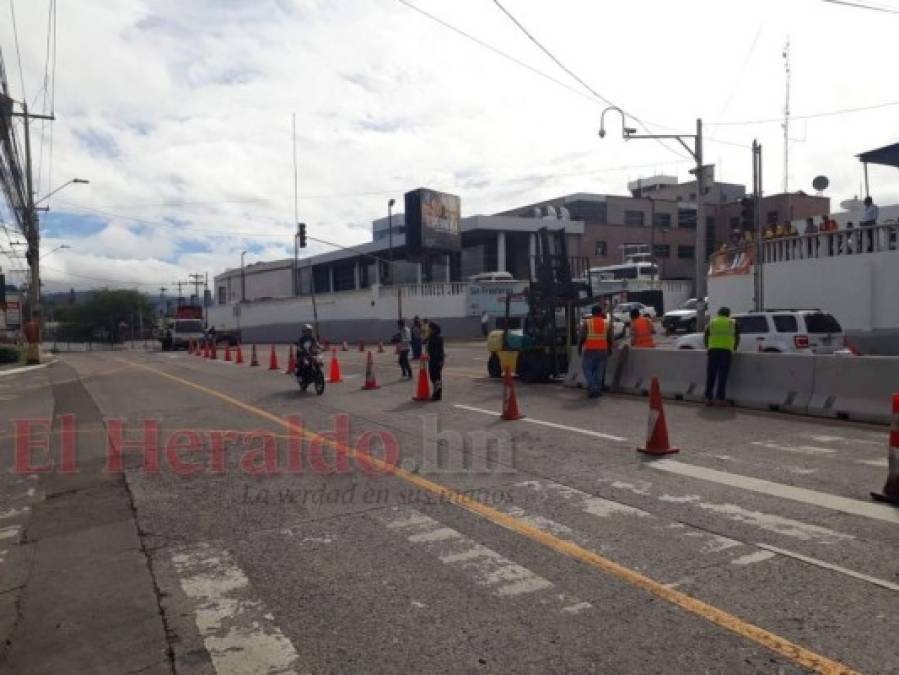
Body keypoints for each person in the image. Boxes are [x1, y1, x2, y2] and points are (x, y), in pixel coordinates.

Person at [703, 307, 740, 406]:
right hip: (726, 351)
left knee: (711, 375)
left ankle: (708, 398)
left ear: (718, 313)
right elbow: (737, 337)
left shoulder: (712, 322)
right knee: (722, 375)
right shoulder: (732, 323)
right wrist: (735, 348)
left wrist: (708, 347)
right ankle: (720, 399)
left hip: (712, 351)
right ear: (728, 314)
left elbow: (706, 336)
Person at [578, 304, 614, 399]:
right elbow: (609, 339)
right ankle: (597, 390)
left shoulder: (587, 323)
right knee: (599, 371)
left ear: (592, 313)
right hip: (603, 350)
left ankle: (593, 388)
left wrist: (579, 348)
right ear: (600, 313)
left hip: (590, 350)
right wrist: (610, 349)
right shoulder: (606, 324)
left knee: (587, 370)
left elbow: (582, 337)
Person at [425, 321, 444, 400]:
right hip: (432, 359)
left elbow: (440, 350)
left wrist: (441, 360)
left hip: (436, 360)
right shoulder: (431, 337)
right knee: (433, 377)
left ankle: (437, 395)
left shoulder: (438, 338)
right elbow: (424, 341)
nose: (428, 329)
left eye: (430, 328)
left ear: (433, 329)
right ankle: (436, 393)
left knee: (436, 377)